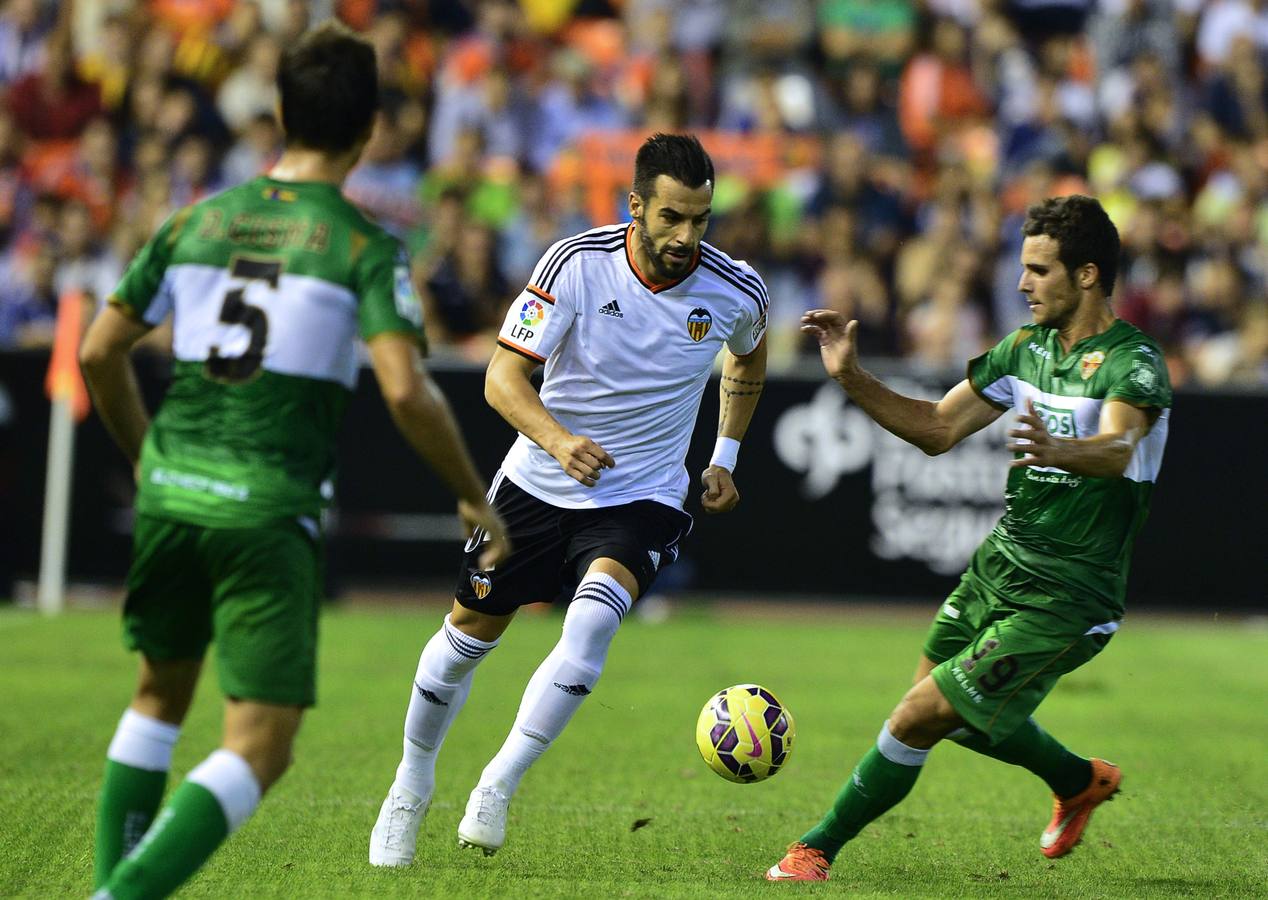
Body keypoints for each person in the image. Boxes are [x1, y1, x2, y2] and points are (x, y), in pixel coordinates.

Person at [80, 23, 508, 900]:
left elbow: (97, 353)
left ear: (278, 112)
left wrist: (149, 456)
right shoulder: (361, 246)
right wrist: (473, 497)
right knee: (261, 745)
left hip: (172, 494)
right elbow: (405, 391)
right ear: (371, 131)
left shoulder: (195, 221)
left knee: (157, 699)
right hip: (266, 509)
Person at [369, 132, 770, 865]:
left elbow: (749, 349)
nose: (687, 236)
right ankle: (411, 783)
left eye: (702, 219)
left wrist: (725, 454)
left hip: (643, 491)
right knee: (466, 640)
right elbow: (500, 378)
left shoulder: (735, 288)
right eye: (673, 217)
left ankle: (498, 782)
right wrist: (557, 442)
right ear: (636, 205)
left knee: (591, 627)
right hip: (539, 483)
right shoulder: (576, 264)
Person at [767, 195, 1172, 881]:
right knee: (944, 709)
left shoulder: (1135, 361)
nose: (1022, 284)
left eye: (1040, 271)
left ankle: (814, 849)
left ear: (1088, 276)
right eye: (1024, 268)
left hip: (1073, 593)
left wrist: (1059, 450)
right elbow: (935, 429)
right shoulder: (1023, 351)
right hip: (1001, 563)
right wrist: (850, 376)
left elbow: (1116, 448)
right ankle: (1077, 781)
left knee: (918, 714)